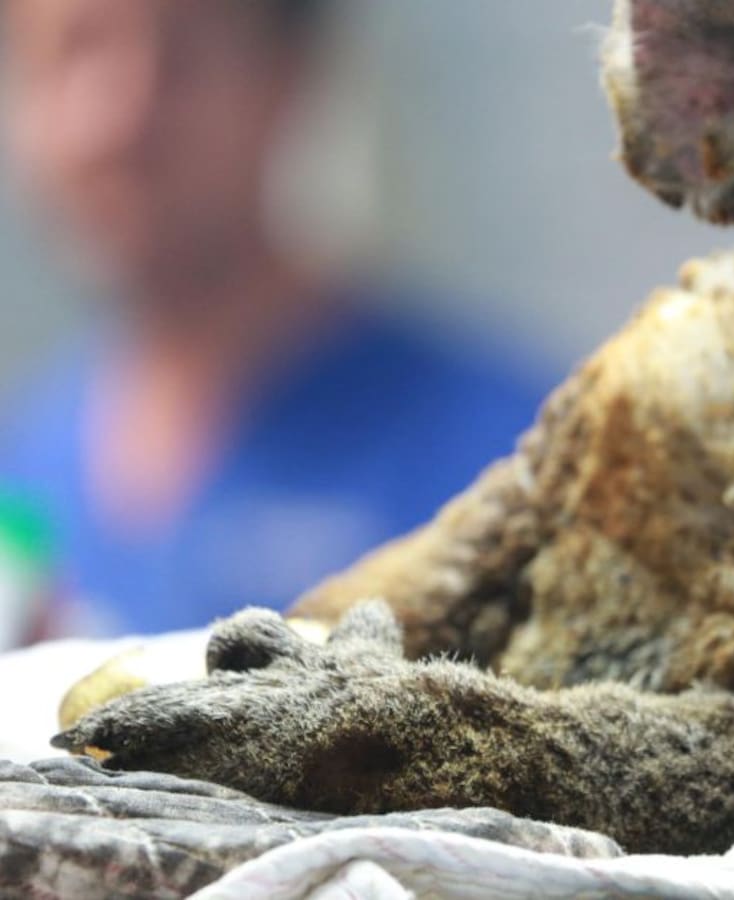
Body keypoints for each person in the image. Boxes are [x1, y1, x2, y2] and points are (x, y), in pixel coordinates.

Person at [0, 0, 550, 642]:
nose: (115, 118)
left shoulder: (509, 461)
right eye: (72, 50)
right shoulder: (24, 468)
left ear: (290, 76)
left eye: (179, 58)